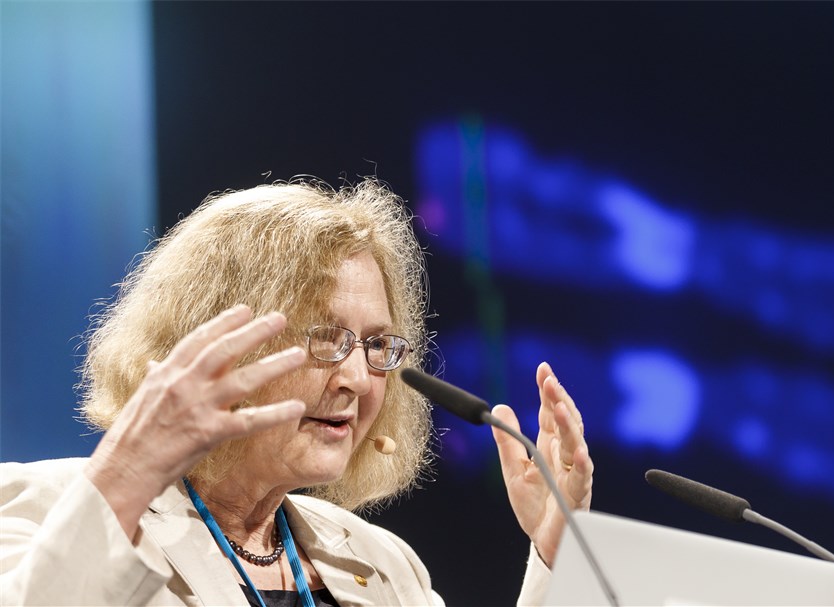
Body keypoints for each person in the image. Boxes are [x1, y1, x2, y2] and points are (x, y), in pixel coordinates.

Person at [0, 178, 593, 606]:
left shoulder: (382, 564)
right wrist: (131, 466)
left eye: (376, 347)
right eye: (326, 340)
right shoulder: (31, 508)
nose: (358, 380)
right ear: (216, 342)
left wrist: (556, 557)